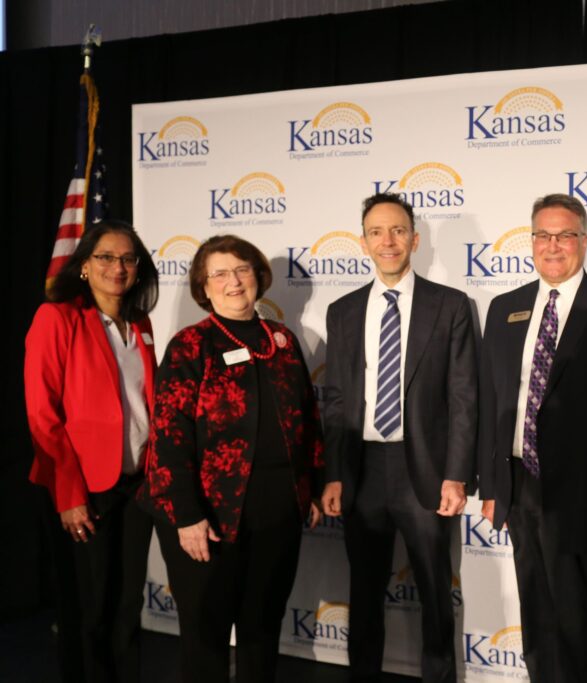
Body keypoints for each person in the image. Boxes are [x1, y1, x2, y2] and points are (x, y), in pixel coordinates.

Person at [137, 235, 324, 683]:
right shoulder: (190, 345)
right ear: (204, 285)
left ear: (257, 275)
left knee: (262, 629)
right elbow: (168, 436)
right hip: (207, 516)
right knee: (207, 635)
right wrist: (186, 515)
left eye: (241, 269)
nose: (233, 281)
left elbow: (308, 421)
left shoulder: (282, 339)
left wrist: (313, 487)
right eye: (219, 273)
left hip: (277, 509)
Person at [320, 193, 476, 683]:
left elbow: (463, 396)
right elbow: (339, 399)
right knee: (364, 594)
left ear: (414, 238)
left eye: (397, 231)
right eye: (376, 232)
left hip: (425, 470)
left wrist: (456, 474)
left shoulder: (449, 305)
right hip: (363, 471)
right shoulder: (343, 311)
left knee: (434, 594)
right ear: (363, 241)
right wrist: (335, 474)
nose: (387, 241)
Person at [478, 193, 587, 683]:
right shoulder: (504, 308)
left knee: (585, 620)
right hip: (521, 485)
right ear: (532, 241)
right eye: (543, 235)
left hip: (586, 493)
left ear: (584, 241)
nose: (553, 245)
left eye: (565, 235)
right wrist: (492, 485)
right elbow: (490, 399)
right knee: (538, 615)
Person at [24, 221, 159, 683]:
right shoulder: (57, 317)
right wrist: (69, 494)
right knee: (87, 608)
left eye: (127, 258)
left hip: (136, 486)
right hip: (82, 488)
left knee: (127, 605)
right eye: (105, 257)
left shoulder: (139, 323)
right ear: (84, 266)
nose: (117, 267)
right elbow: (43, 416)